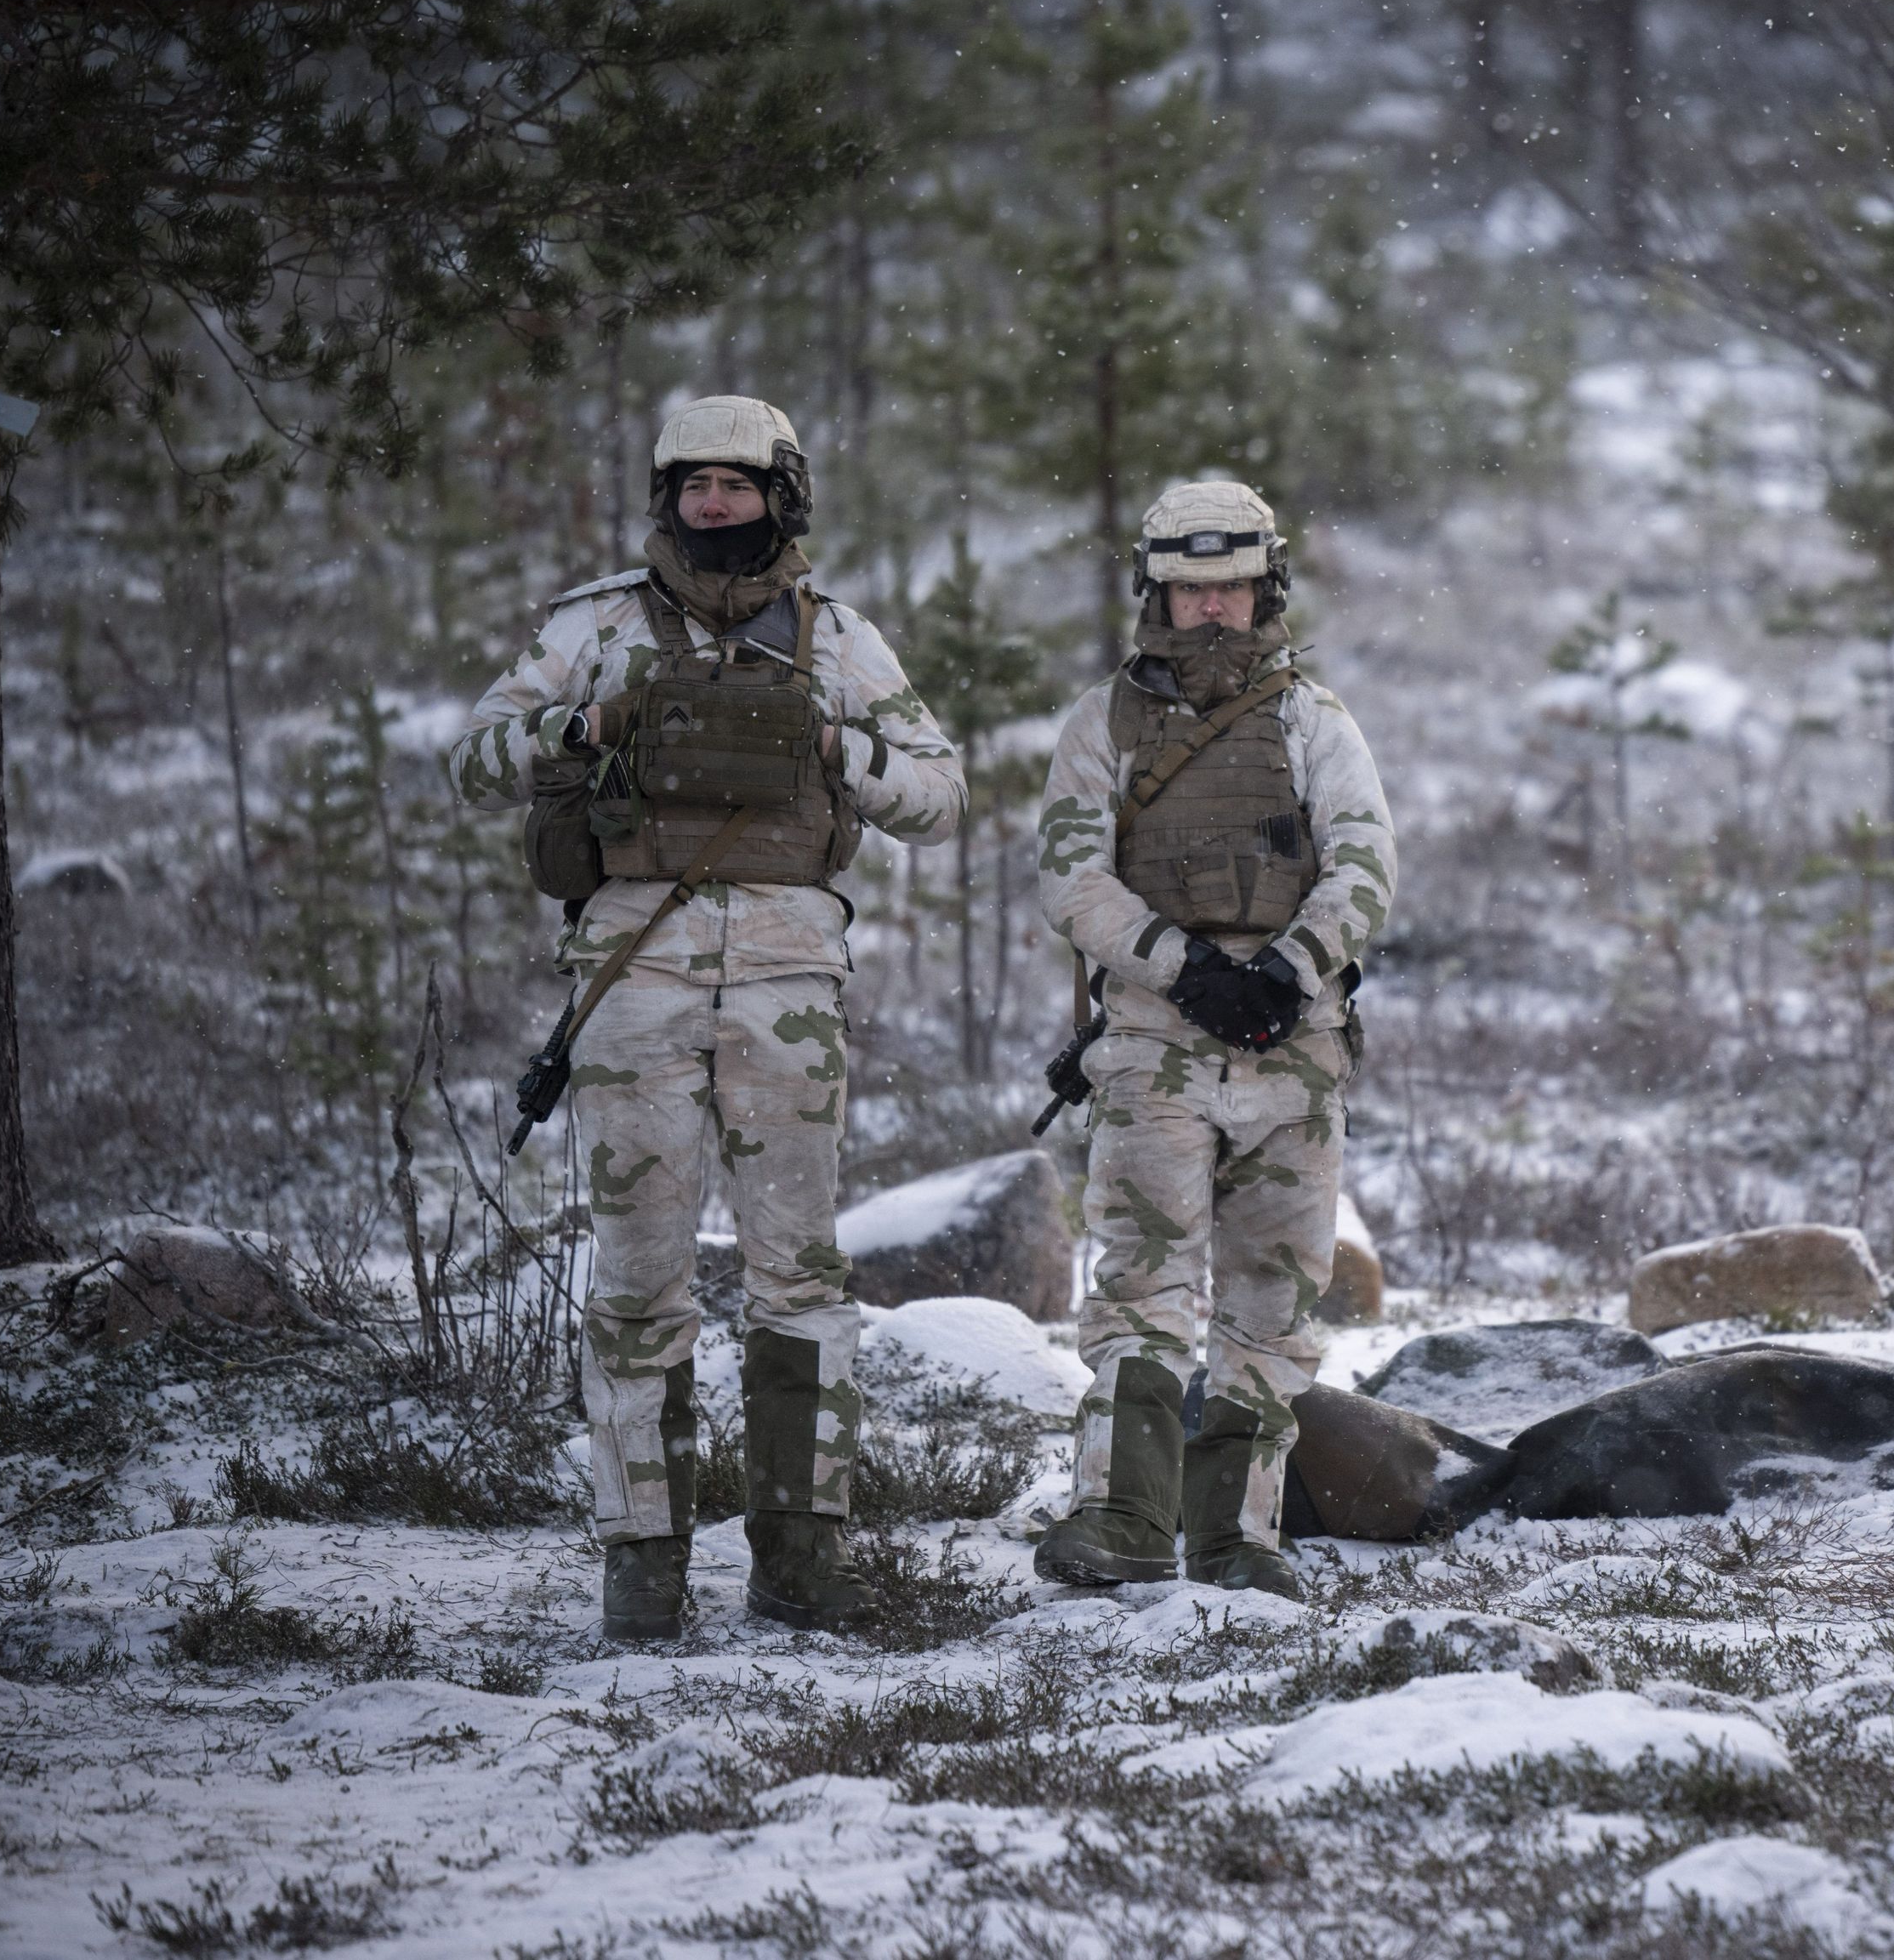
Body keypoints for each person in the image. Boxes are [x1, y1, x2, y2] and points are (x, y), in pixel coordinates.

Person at [450, 395, 967, 1643]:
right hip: (633, 982)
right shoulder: (597, 624)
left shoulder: (838, 637)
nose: (715, 504)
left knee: (800, 1274)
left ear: (780, 494)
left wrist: (846, 751)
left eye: (739, 484)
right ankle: (643, 1559)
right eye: (695, 485)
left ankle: (802, 1554)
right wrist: (581, 722)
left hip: (791, 988)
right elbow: (472, 758)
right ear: (667, 497)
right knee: (638, 1277)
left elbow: (942, 795)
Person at [1029, 480, 1396, 1601]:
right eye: (1189, 588)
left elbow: (1367, 862)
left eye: (1230, 585)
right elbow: (1068, 875)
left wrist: (1285, 972)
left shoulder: (1314, 722)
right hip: (1153, 1038)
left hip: (1294, 1043)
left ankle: (1240, 1535)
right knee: (1141, 1286)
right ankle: (1124, 1516)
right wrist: (1184, 967)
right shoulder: (1102, 724)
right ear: (1158, 590)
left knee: (1272, 1299)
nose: (1211, 610)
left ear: (1263, 586)